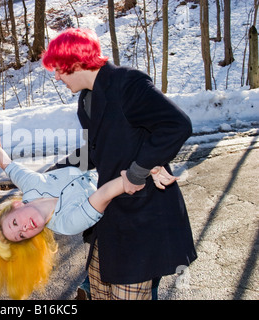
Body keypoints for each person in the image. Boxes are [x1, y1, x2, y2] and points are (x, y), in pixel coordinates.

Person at [41, 28, 197, 300]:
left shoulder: (127, 83)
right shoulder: (86, 100)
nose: (56, 77)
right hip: (111, 220)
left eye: (58, 69)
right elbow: (94, 151)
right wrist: (51, 175)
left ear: (75, 62)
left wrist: (138, 171)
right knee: (99, 294)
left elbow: (176, 125)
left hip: (144, 216)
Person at [0, 130, 176, 299]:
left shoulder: (31, 185)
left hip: (105, 162)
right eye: (21, 235)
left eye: (14, 223)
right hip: (126, 199)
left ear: (17, 206)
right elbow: (105, 194)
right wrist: (142, 169)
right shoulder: (67, 223)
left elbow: (7, 165)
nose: (23, 229)